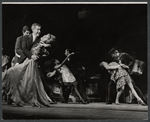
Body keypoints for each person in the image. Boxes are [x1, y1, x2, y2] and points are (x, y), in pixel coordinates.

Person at [2, 23, 55, 107]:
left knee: (28, 82)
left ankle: (21, 98)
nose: (39, 31)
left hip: (31, 63)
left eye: (40, 30)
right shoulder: (24, 38)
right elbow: (22, 49)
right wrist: (31, 56)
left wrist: (39, 54)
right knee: (13, 74)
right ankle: (11, 97)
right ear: (32, 29)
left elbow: (42, 52)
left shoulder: (39, 40)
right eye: (37, 29)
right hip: (23, 60)